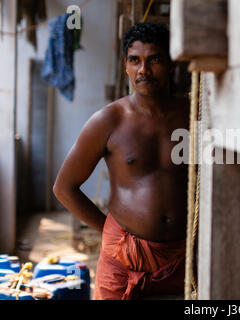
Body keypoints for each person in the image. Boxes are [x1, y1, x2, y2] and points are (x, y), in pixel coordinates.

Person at [53, 23, 189, 300]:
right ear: (125, 66)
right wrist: (109, 230)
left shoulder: (193, 116)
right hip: (121, 259)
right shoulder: (108, 120)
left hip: (181, 257)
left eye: (154, 60)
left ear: (172, 64)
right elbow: (64, 188)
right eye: (134, 60)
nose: (143, 70)